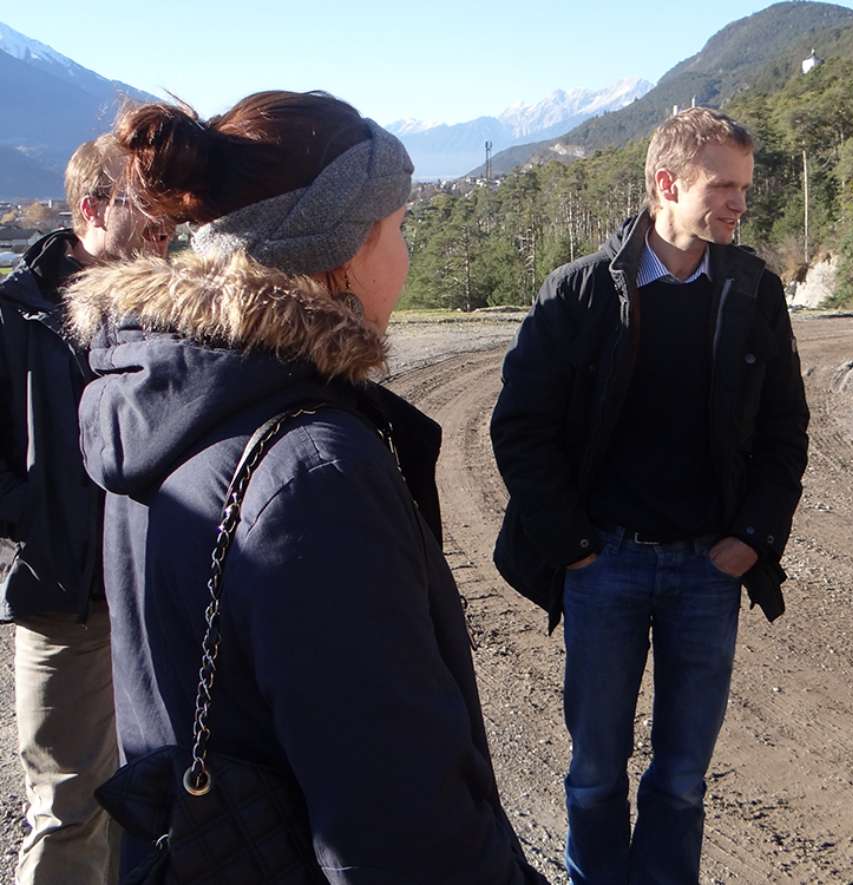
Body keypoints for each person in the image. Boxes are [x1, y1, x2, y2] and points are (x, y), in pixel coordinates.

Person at [64, 91, 543, 883]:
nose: (407, 255)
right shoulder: (315, 475)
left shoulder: (154, 403)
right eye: (398, 228)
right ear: (341, 253)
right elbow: (402, 833)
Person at [490, 107, 810, 884]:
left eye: (744, 187)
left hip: (710, 571)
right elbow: (520, 427)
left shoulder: (753, 291)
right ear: (667, 184)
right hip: (605, 566)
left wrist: (755, 537)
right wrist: (572, 543)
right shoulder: (577, 292)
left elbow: (785, 429)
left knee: (682, 778)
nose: (739, 202)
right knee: (595, 771)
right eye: (723, 186)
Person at [0, 134, 172, 884]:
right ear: (89, 209)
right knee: (69, 811)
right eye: (146, 207)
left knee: (163, 806)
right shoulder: (16, 317)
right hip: (65, 605)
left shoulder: (171, 306)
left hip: (159, 601)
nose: (163, 229)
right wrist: (41, 521)